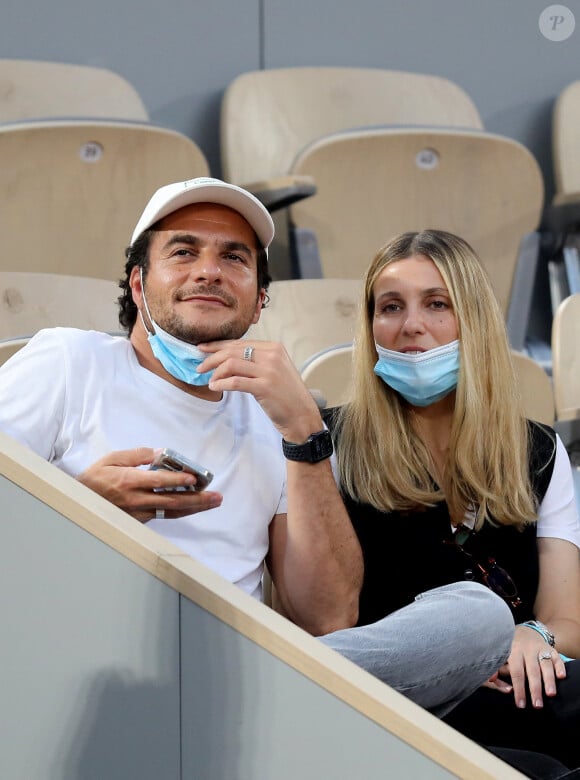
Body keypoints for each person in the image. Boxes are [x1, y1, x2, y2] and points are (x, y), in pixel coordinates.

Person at [0, 178, 513, 716]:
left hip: (240, 678)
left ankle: (247, 713)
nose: (208, 270)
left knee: (479, 616)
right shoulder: (69, 362)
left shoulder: (276, 417)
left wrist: (304, 433)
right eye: (183, 251)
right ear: (137, 284)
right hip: (86, 674)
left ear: (260, 299)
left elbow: (328, 619)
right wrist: (78, 507)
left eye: (234, 257)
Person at [323, 228, 580, 767]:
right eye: (390, 307)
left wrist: (535, 635)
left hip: (509, 684)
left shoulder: (539, 450)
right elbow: (328, 624)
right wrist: (466, 649)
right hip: (390, 700)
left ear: (476, 322)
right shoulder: (328, 445)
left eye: (436, 304)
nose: (411, 325)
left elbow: (567, 619)